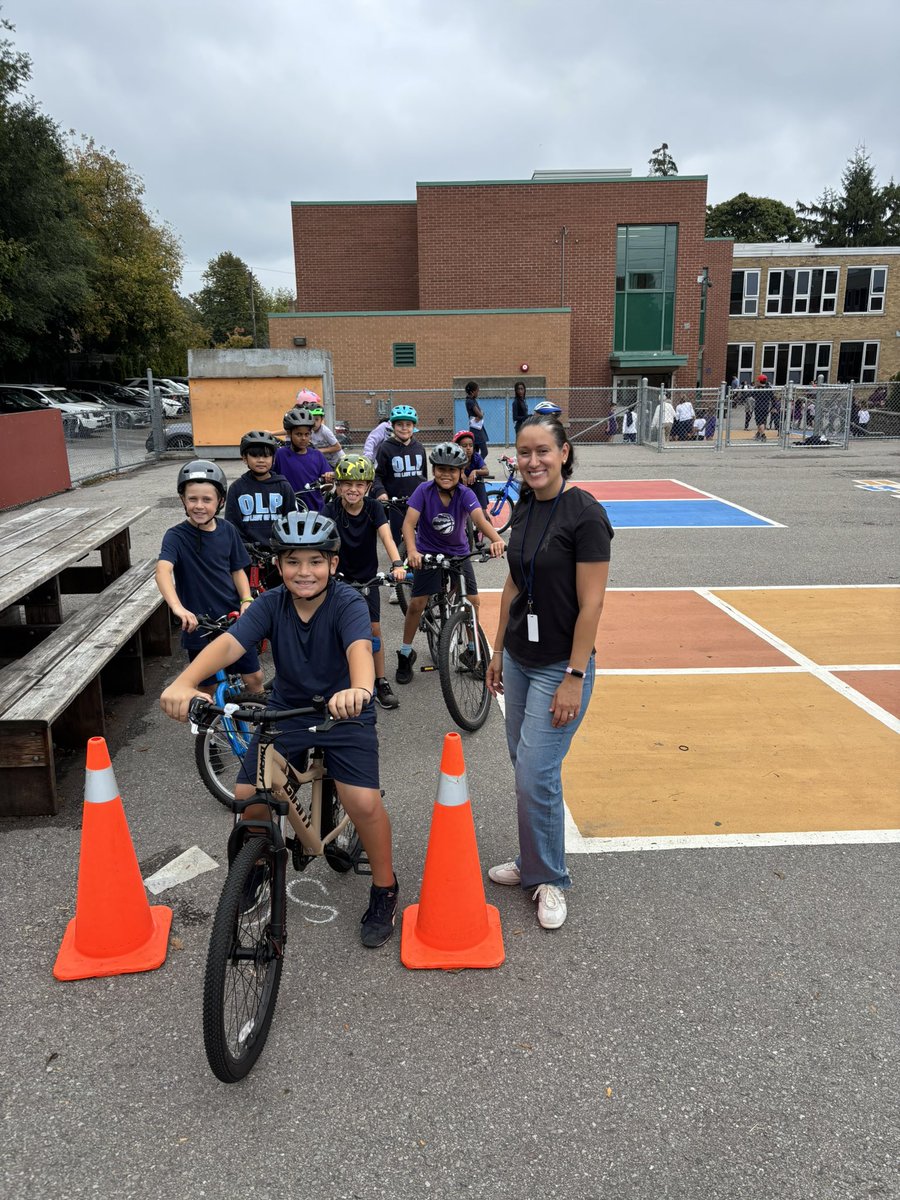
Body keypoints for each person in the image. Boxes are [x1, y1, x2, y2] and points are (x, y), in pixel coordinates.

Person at [159, 509, 400, 949]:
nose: (303, 572)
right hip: (288, 709)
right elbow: (229, 644)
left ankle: (384, 888)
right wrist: (184, 682)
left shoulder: (347, 602)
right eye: (292, 561)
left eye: (314, 561)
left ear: (332, 563)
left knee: (361, 801)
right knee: (248, 797)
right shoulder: (272, 602)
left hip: (345, 710)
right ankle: (254, 868)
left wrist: (361, 689)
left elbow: (360, 650)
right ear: (277, 565)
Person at [485, 413, 612, 930]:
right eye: (523, 452)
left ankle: (551, 879)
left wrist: (575, 677)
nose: (532, 461)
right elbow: (515, 586)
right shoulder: (523, 509)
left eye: (542, 451)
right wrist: (495, 652)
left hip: (561, 665)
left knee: (537, 772)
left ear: (563, 454)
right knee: (525, 767)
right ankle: (531, 860)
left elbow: (594, 603)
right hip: (518, 657)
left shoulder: (585, 514)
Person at [395, 442, 505, 685]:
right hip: (428, 554)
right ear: (434, 470)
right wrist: (412, 551)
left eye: (452, 470)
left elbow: (479, 518)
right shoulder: (423, 491)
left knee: (473, 602)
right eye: (441, 469)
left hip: (458, 554)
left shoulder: (466, 494)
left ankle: (471, 652)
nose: (446, 474)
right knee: (417, 604)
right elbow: (408, 524)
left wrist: (496, 539)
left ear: (461, 472)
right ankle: (405, 653)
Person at [155, 459, 264, 695]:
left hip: (233, 619)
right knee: (208, 687)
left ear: (220, 501)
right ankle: (215, 731)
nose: (199, 505)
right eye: (192, 499)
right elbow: (163, 570)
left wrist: (246, 599)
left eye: (207, 499)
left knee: (254, 678)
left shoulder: (228, 530)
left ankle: (260, 729)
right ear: (183, 500)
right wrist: (178, 608)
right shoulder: (175, 536)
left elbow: (237, 570)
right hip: (198, 624)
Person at [323, 455, 406, 710]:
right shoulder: (331, 509)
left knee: (374, 631)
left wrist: (396, 564)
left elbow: (387, 537)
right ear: (338, 485)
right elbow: (319, 538)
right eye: (347, 483)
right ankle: (335, 679)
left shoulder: (373, 507)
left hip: (368, 579)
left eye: (360, 484)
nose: (353, 489)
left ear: (368, 487)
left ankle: (380, 681)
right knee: (332, 631)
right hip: (338, 579)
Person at [224, 431, 297, 559]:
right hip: (247, 553)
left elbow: (292, 519)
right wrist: (244, 547)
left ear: (273, 458)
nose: (261, 460)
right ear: (244, 458)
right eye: (255, 455)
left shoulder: (283, 486)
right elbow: (232, 524)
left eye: (267, 456)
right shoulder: (237, 488)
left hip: (279, 552)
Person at [371, 404, 428, 548]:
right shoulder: (385, 448)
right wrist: (381, 492)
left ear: (413, 426)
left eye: (408, 424)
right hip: (396, 504)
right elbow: (377, 476)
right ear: (393, 426)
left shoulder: (419, 448)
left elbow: (424, 476)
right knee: (396, 539)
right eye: (400, 424)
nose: (404, 428)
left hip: (416, 502)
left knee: (424, 537)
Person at [273, 406, 333, 508]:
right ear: (289, 433)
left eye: (307, 434)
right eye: (298, 434)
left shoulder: (317, 455)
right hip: (288, 509)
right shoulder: (280, 454)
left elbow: (327, 487)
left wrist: (329, 480)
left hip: (315, 510)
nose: (303, 438)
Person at [300, 391, 345, 468]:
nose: (314, 423)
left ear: (322, 419)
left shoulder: (325, 431)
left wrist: (320, 451)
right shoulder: (309, 430)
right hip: (326, 462)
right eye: (311, 419)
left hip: (339, 462)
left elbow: (338, 447)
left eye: (316, 419)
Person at [452, 429, 490, 511]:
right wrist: (461, 472)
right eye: (464, 446)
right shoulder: (454, 458)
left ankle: (484, 515)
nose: (468, 448)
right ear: (457, 447)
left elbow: (486, 471)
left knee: (482, 513)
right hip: (461, 487)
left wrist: (475, 471)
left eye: (471, 445)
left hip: (476, 486)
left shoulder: (476, 457)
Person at [464, 380, 489, 460]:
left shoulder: (472, 400)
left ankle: (474, 466)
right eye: (477, 391)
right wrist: (481, 415)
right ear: (472, 392)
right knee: (484, 451)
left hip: (478, 427)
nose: (478, 393)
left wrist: (481, 414)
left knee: (475, 452)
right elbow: (480, 414)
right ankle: (478, 465)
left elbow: (481, 412)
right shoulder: (470, 401)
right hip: (476, 430)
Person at [751, 374, 772, 441]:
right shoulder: (768, 388)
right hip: (766, 407)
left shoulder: (757, 389)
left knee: (760, 422)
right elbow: (772, 397)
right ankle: (758, 434)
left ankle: (763, 435)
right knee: (761, 421)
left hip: (759, 406)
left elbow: (753, 395)